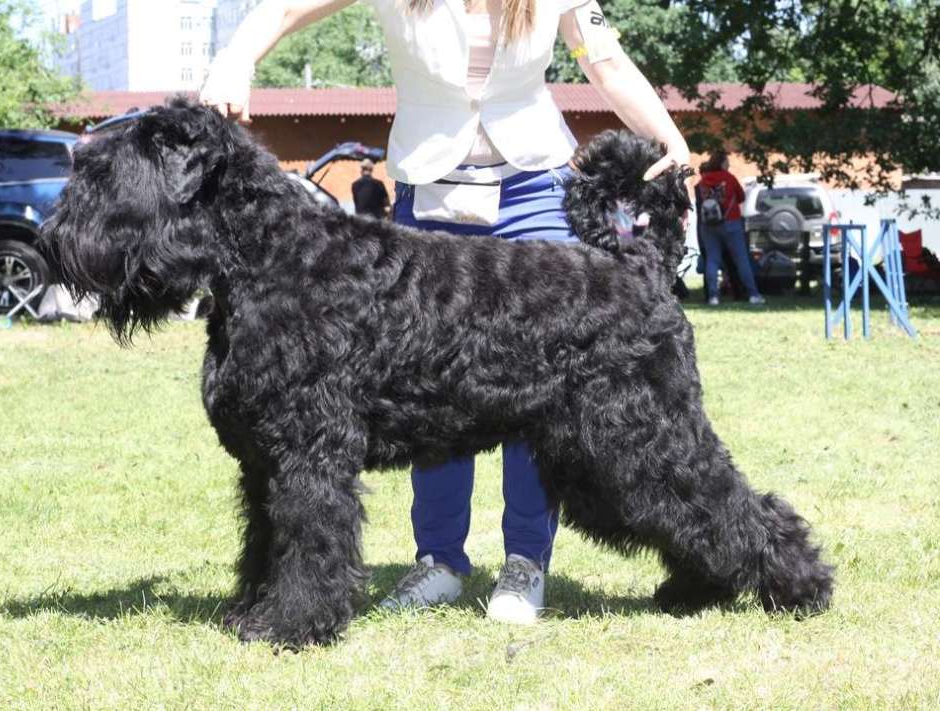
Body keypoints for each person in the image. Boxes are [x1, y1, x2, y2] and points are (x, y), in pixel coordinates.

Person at [201, 0, 690, 625]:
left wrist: (674, 146)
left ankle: (525, 562)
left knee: (542, 386)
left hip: (532, 186)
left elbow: (607, 61)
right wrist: (235, 59)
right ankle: (439, 560)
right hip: (433, 186)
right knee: (429, 384)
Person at [695, 152, 765, 305]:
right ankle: (753, 294)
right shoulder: (729, 178)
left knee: (712, 260)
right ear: (722, 163)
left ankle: (713, 297)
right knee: (741, 259)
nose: (729, 164)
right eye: (727, 161)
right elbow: (741, 197)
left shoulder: (704, 180)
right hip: (731, 223)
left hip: (709, 225)